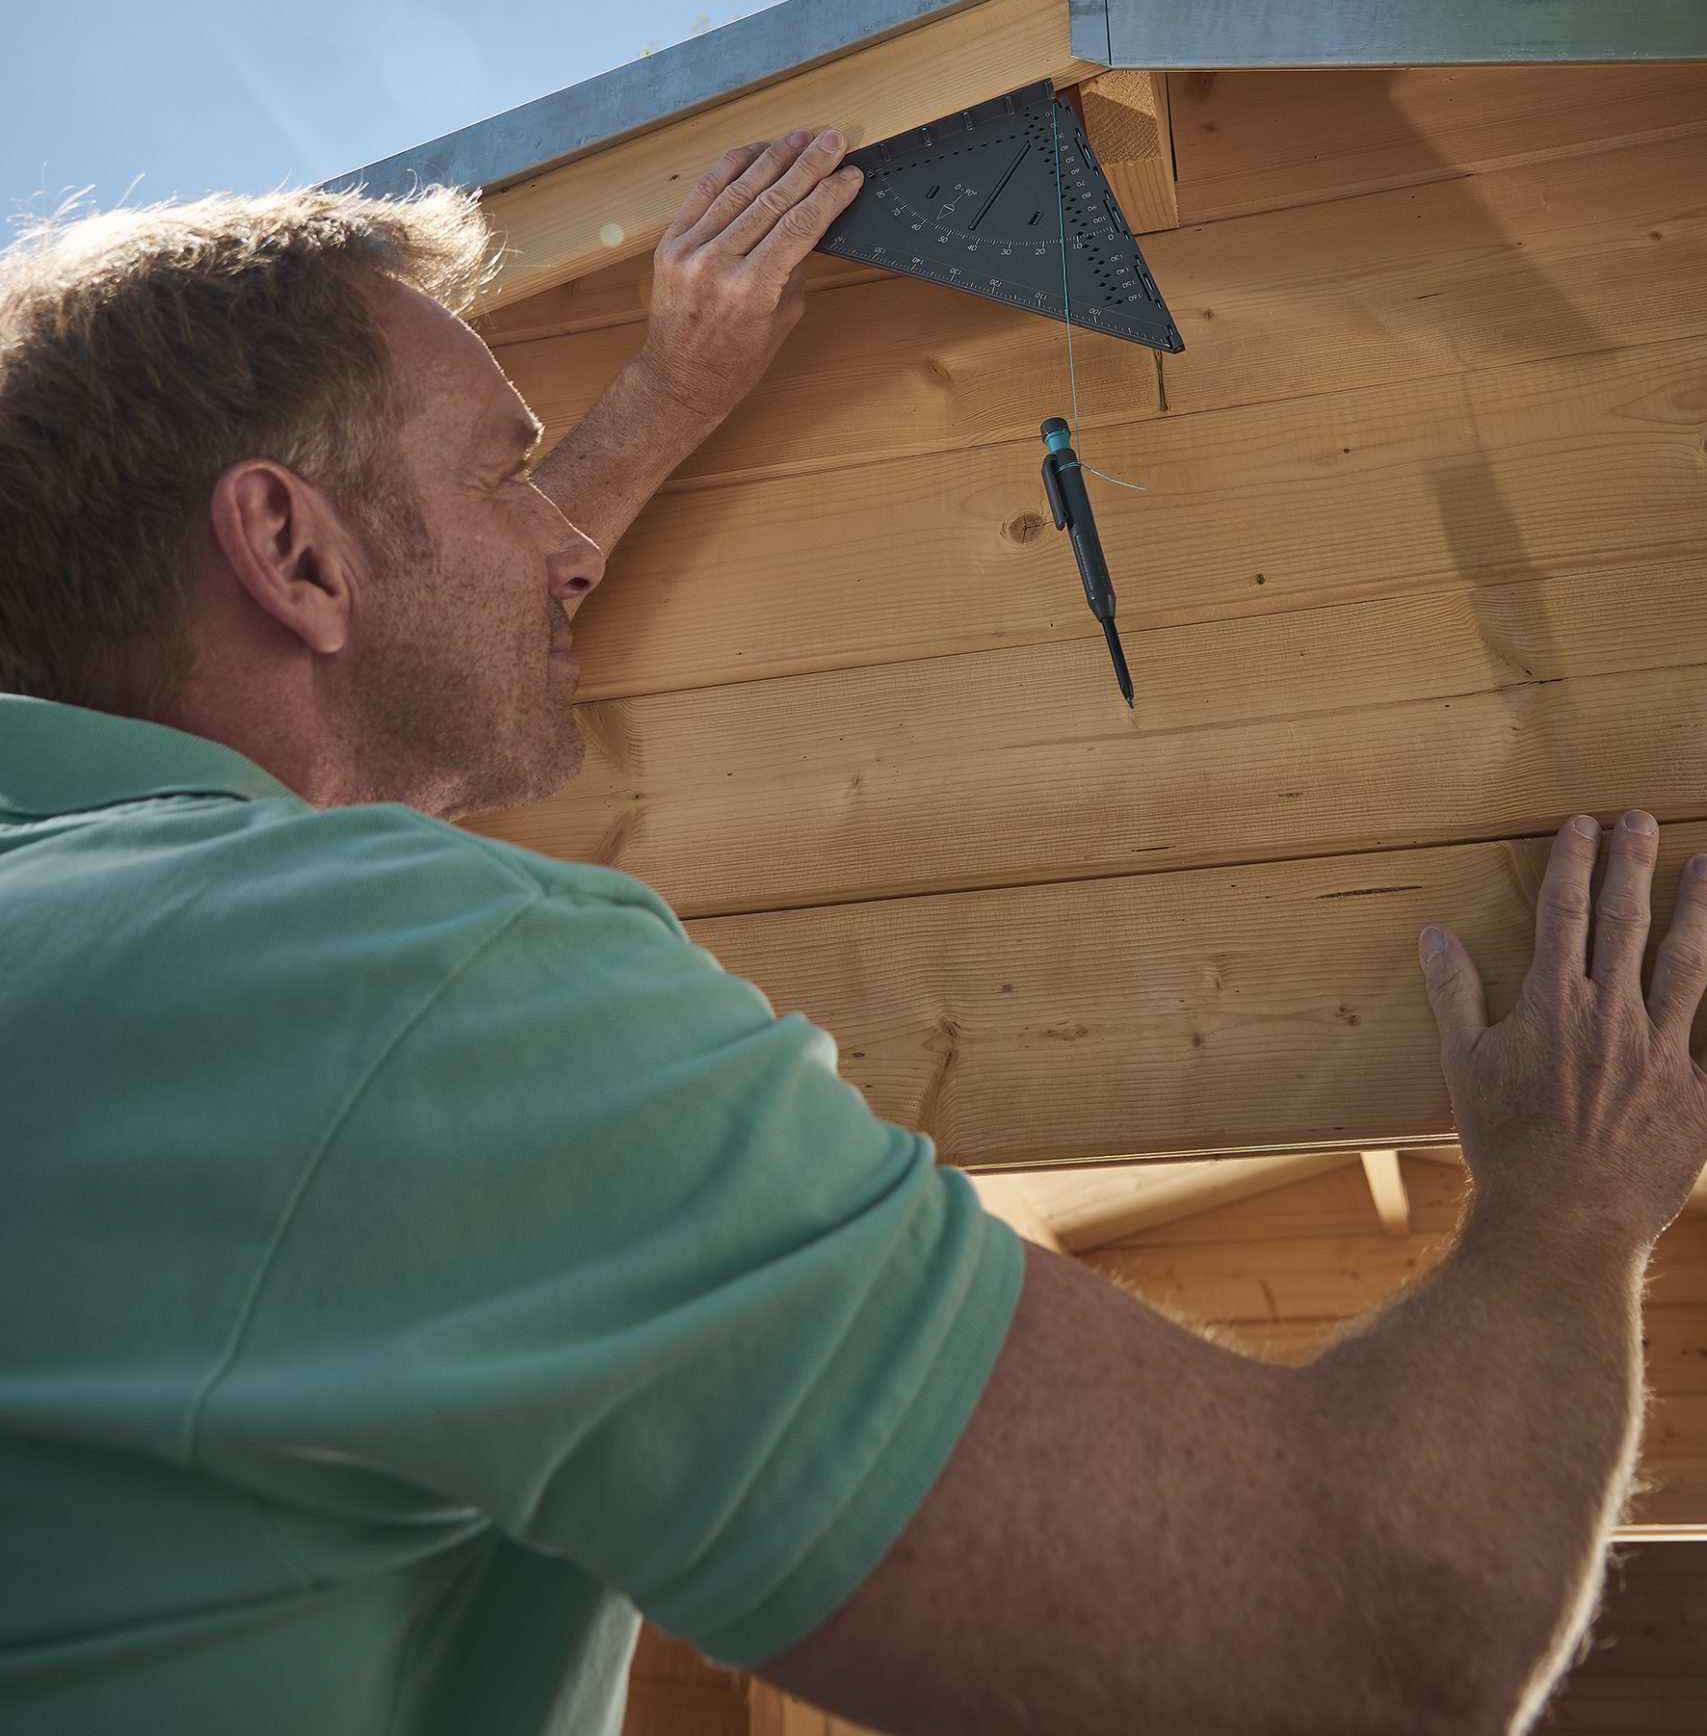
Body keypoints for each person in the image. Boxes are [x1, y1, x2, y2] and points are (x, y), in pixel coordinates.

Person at [1, 129, 1704, 1736]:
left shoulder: (120, 961)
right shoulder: (397, 991)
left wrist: (665, 394)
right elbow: (1374, 1641)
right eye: (510, 470)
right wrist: (1573, 1204)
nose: (565, 543)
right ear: (289, 550)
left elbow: (355, 721)